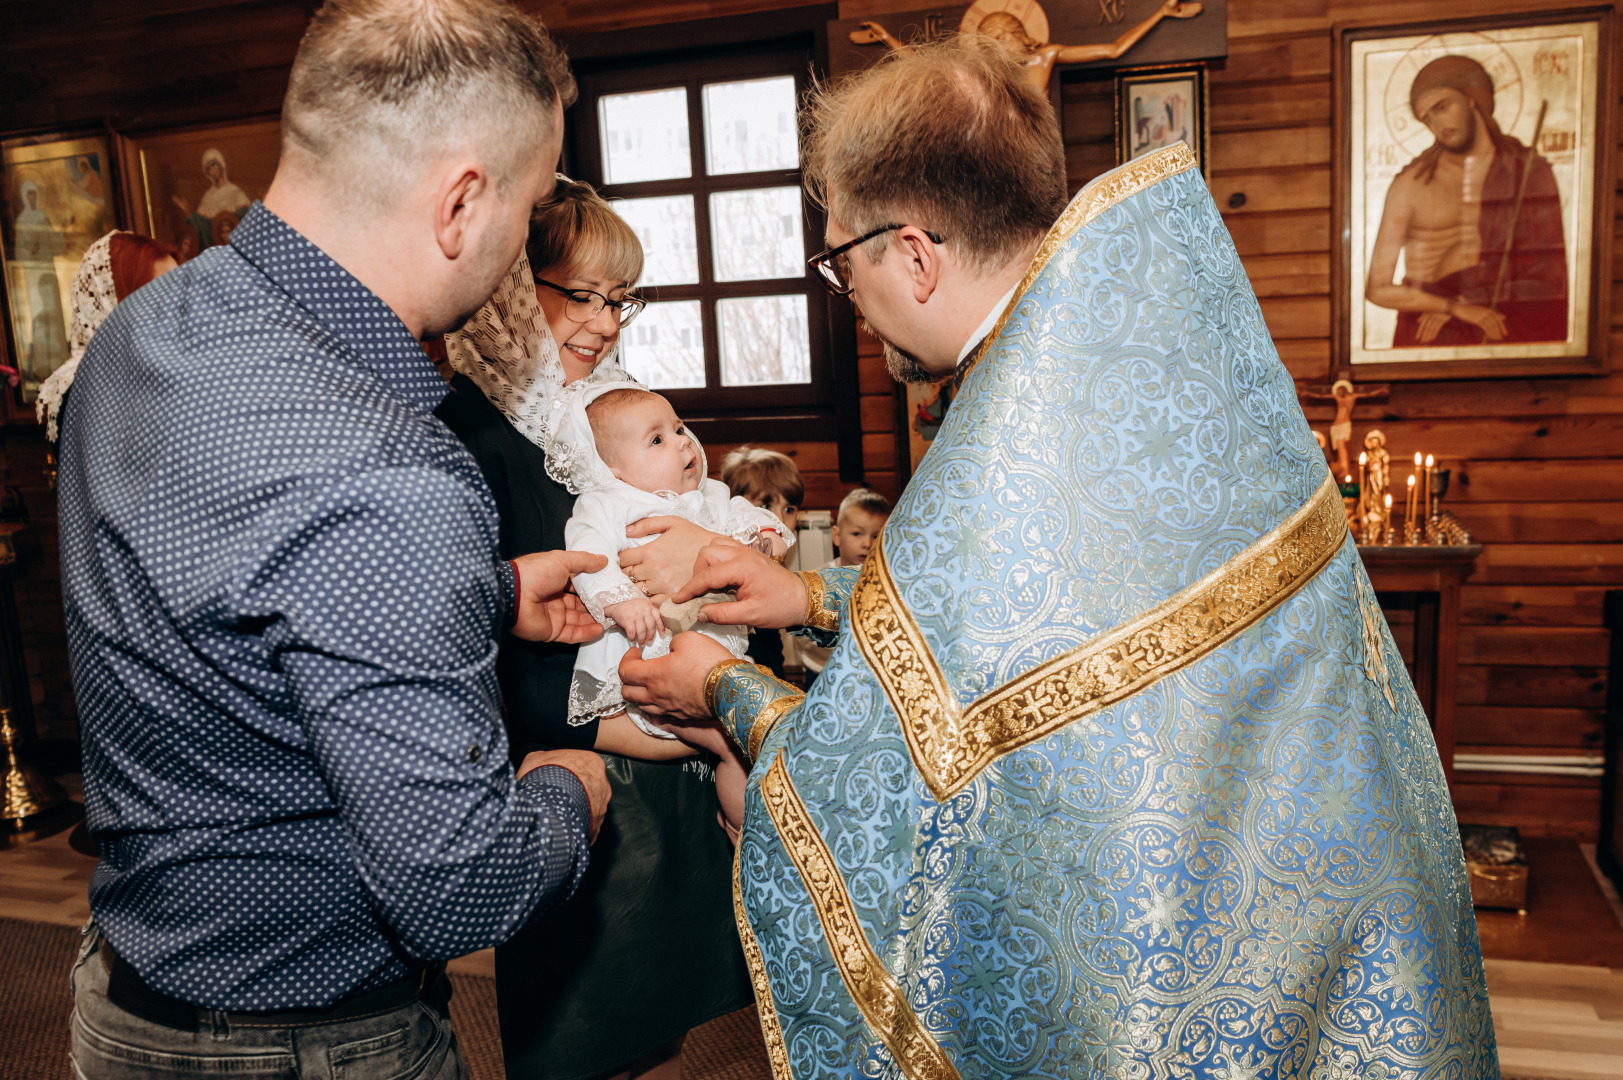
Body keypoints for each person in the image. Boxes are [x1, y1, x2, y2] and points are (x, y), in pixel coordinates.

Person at [621, 37, 1496, 1078]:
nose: (846, 294)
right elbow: (1038, 622)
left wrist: (722, 686)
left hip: (1182, 970)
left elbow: (886, 789)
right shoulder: (1133, 349)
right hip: (1344, 905)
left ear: (913, 253)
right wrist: (809, 591)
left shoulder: (1011, 440)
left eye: (840, 260)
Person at [58, 4, 611, 1079]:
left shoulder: (147, 328)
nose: (515, 248)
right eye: (531, 204)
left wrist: (486, 592)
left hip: (125, 989)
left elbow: (217, 585)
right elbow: (460, 887)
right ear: (461, 202)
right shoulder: (386, 474)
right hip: (306, 1042)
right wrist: (569, 793)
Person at [438, 178, 753, 1080]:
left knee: (663, 1025)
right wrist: (688, 735)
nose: (607, 324)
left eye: (620, 299)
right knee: (580, 1034)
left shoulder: (607, 408)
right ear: (507, 282)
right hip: (575, 768)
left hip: (668, 747)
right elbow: (488, 648)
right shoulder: (471, 431)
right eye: (582, 294)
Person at [559, 383, 787, 838]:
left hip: (712, 656)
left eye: (679, 428)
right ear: (613, 470)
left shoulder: (711, 496)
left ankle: (749, 836)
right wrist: (621, 601)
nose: (683, 441)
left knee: (748, 743)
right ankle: (749, 836)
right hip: (646, 657)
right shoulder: (607, 503)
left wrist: (765, 539)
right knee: (735, 745)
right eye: (658, 439)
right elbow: (587, 556)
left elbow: (754, 522)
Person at [1366, 54, 1567, 346]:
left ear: (1472, 97)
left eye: (1443, 107)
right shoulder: (1411, 185)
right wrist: (1452, 308)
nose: (1437, 125)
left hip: (1505, 319)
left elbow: (1549, 274)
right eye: (1427, 119)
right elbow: (1378, 289)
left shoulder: (1526, 173)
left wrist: (1472, 300)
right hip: (1429, 328)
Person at [850, 0, 1204, 93]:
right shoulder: (988, 71)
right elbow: (923, 62)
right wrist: (887, 38)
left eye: (1003, 37)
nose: (999, 46)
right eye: (991, 41)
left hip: (1043, 140)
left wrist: (1160, 13)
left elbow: (1113, 49)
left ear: (1018, 32)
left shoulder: (1046, 55)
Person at [37, 230, 181, 443]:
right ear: (116, 301)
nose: (177, 308)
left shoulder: (172, 365)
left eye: (179, 292)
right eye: (161, 296)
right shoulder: (82, 389)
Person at [718, 445, 804, 678]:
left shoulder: (778, 548)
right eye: (765, 506)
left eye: (789, 509)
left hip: (769, 637)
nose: (778, 518)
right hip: (740, 641)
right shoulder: (733, 543)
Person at [796, 486, 890, 687]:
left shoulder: (887, 582)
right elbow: (802, 629)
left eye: (876, 536)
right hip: (821, 673)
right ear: (837, 536)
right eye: (857, 534)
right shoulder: (821, 580)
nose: (867, 543)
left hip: (870, 677)